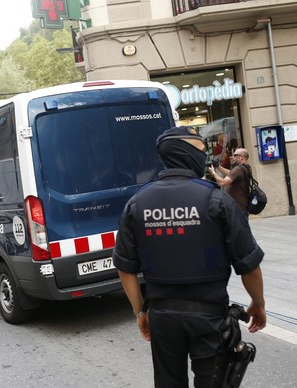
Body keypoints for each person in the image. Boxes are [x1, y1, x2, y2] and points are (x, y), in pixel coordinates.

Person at [112, 126, 266, 387]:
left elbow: (125, 267)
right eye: (200, 151)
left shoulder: (137, 203)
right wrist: (257, 303)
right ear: (184, 153)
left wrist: (140, 313)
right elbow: (248, 263)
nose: (204, 157)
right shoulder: (217, 201)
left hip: (163, 317)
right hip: (210, 318)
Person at [208, 147, 251, 215]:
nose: (232, 157)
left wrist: (213, 172)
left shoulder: (238, 169)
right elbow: (230, 173)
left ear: (241, 157)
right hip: (241, 207)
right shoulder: (245, 167)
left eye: (235, 155)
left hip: (237, 209)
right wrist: (218, 166)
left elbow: (222, 182)